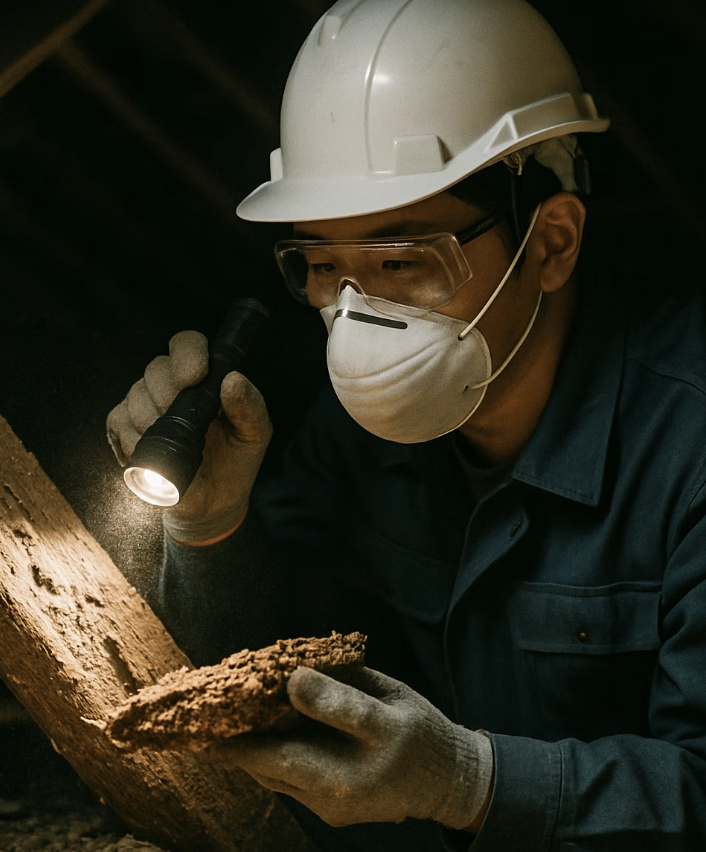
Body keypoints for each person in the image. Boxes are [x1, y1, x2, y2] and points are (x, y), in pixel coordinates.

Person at [107, 0, 706, 849]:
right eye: (322, 266)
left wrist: (473, 782)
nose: (358, 319)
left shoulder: (689, 447)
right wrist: (210, 529)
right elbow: (257, 686)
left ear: (551, 243)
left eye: (401, 263)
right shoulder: (356, 437)